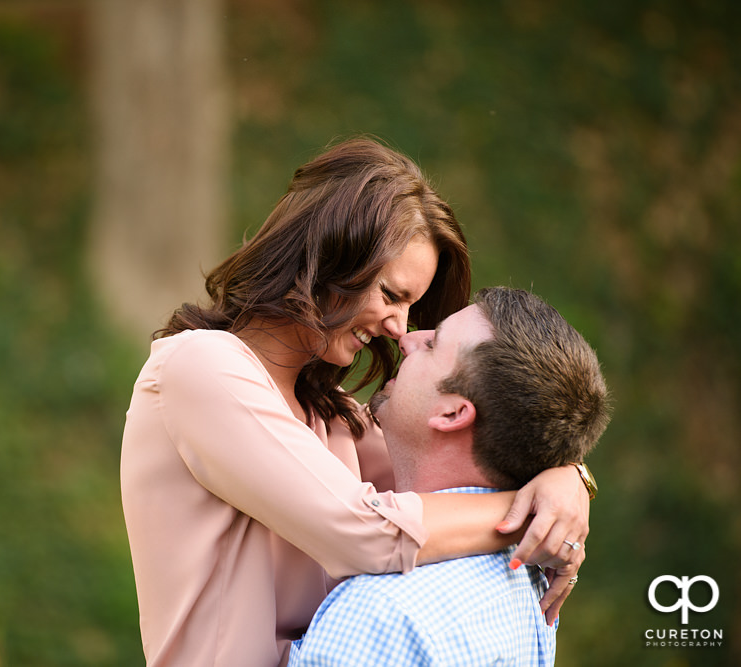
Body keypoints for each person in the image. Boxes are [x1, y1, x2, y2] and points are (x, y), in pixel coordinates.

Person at [121, 138, 595, 667]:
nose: (400, 329)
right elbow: (367, 533)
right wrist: (525, 518)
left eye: (412, 306)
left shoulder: (331, 414)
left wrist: (566, 475)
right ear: (327, 259)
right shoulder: (199, 369)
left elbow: (472, 448)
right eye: (392, 295)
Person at [287, 287, 611, 666]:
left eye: (433, 344)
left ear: (453, 414)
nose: (407, 338)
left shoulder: (382, 615)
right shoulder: (529, 580)